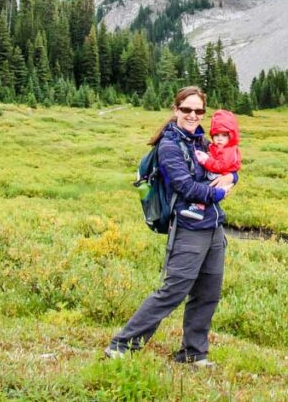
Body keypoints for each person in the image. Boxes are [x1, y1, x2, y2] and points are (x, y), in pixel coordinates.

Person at [105, 86, 236, 366]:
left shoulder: (202, 141)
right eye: (186, 109)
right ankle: (122, 345)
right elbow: (185, 187)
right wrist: (220, 193)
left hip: (213, 228)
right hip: (188, 229)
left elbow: (226, 167)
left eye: (198, 111)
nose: (192, 115)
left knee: (208, 292)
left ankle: (193, 353)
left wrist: (232, 178)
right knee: (173, 291)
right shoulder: (169, 145)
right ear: (176, 110)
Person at [181, 109, 242, 221]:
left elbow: (221, 166)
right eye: (216, 135)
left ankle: (198, 209)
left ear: (231, 136)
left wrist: (206, 160)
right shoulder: (215, 146)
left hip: (219, 176)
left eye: (224, 135)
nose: (219, 138)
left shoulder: (229, 150)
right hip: (218, 175)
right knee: (204, 186)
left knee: (206, 186)